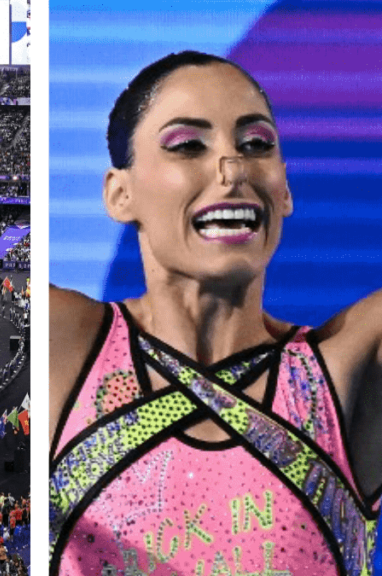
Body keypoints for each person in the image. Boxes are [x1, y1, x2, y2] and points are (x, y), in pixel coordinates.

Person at [49, 51, 382, 575]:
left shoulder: (348, 375)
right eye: (188, 145)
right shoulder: (65, 345)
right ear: (120, 193)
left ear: (285, 189)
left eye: (257, 145)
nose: (233, 168)